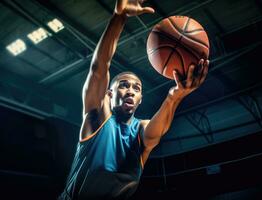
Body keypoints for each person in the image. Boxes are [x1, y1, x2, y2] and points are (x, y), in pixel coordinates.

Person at [58, 0, 209, 199]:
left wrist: (175, 97)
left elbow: (156, 132)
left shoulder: (141, 131)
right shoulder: (96, 117)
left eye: (136, 88)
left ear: (140, 100)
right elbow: (99, 68)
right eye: (123, 85)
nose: (130, 90)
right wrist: (118, 18)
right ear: (109, 94)